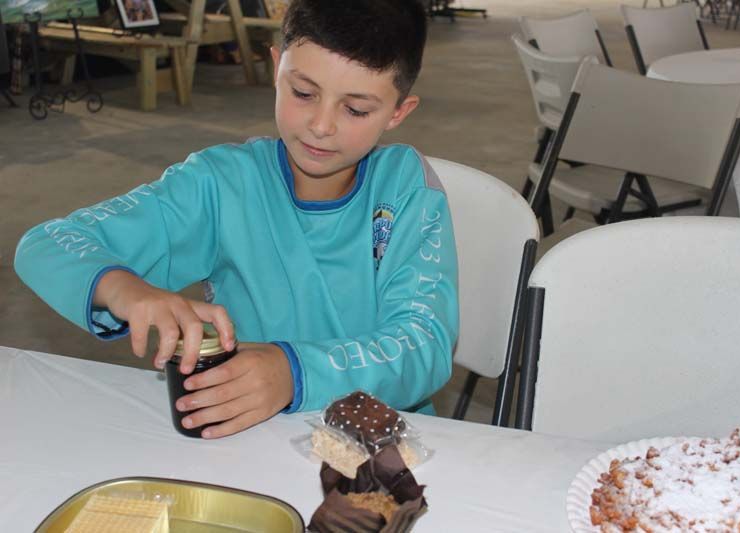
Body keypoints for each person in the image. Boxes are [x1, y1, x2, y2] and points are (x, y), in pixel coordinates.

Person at [14, 0, 458, 439]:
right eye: (304, 92)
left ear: (399, 110)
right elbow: (47, 244)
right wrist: (127, 290)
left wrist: (292, 371)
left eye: (356, 110)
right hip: (250, 438)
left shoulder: (406, 189)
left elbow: (424, 344)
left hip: (384, 444)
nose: (321, 125)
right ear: (276, 66)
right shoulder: (219, 184)